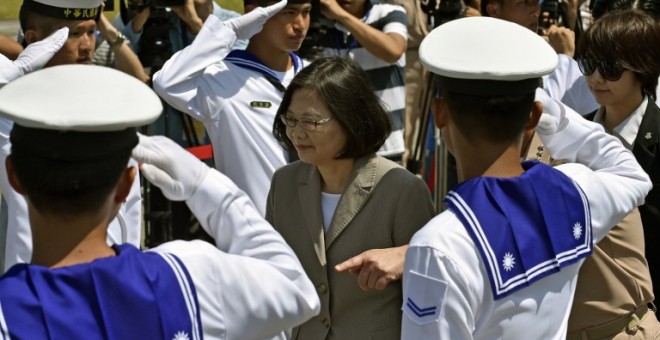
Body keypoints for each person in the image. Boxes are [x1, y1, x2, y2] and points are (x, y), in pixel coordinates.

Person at [0, 63, 320, 339]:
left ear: (14, 177)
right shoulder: (185, 279)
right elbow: (296, 290)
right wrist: (206, 186)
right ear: (126, 185)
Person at [401, 16, 652, 339]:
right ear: (533, 115)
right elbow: (631, 174)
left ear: (440, 113)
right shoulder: (573, 193)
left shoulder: (438, 246)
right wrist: (547, 111)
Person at [267, 56, 435, 339]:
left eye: (311, 121)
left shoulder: (402, 189)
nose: (296, 132)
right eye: (291, 119)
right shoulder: (284, 182)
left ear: (352, 120)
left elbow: (428, 288)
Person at [0, 0, 144, 272]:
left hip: (109, 285)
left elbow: (131, 211)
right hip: (38, 292)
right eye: (74, 34)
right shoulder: (13, 110)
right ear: (34, 39)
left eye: (92, 32)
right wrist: (14, 70)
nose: (88, 45)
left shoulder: (114, 109)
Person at [153, 0, 311, 216]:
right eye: (289, 13)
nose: (300, 24)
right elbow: (167, 82)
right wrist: (230, 32)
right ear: (255, 13)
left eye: (306, 12)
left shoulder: (315, 75)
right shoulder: (221, 78)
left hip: (318, 229)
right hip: (255, 232)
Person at [574, 10, 660, 335]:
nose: (596, 78)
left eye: (610, 68)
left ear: (643, 67)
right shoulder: (574, 132)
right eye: (588, 64)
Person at [314, 0, 407, 163]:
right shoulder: (316, 22)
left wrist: (341, 16)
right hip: (335, 148)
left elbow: (393, 50)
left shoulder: (389, 12)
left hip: (384, 147)